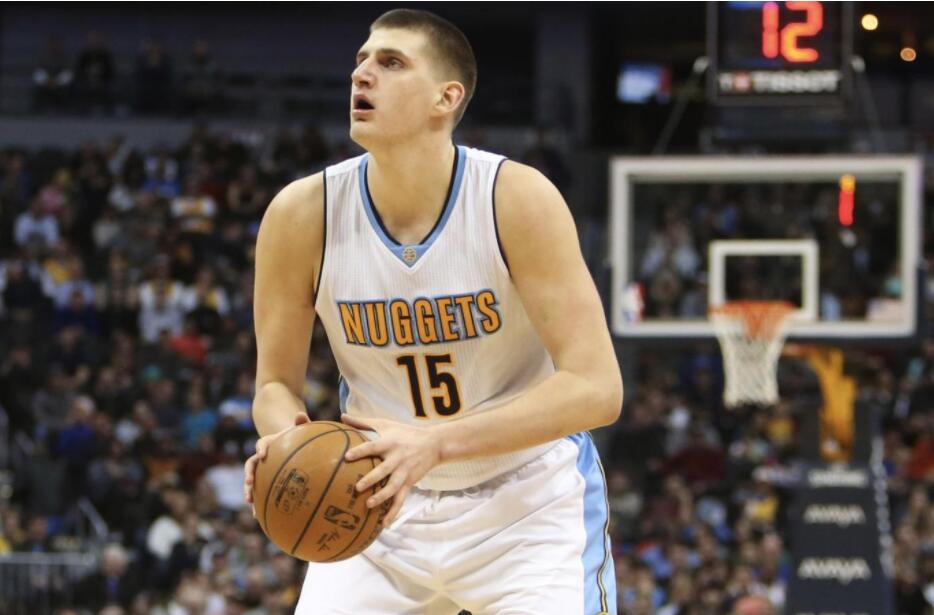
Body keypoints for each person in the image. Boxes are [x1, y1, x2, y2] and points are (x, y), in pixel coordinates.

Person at [243, 8, 622, 614]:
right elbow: (273, 386)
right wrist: (287, 440)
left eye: (391, 62)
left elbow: (596, 389)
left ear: (447, 98)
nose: (361, 74)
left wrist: (436, 444)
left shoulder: (516, 199)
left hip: (526, 506)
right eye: (361, 60)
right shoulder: (300, 215)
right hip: (374, 503)